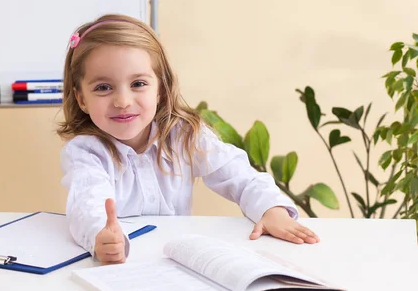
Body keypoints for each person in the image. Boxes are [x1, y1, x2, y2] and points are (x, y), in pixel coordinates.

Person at [57, 14, 319, 265]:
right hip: (124, 265)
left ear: (160, 88)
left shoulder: (184, 134)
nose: (123, 101)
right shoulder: (85, 152)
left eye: (138, 84)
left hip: (177, 263)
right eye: (103, 87)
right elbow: (87, 203)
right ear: (81, 98)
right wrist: (100, 236)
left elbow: (240, 176)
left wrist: (271, 209)